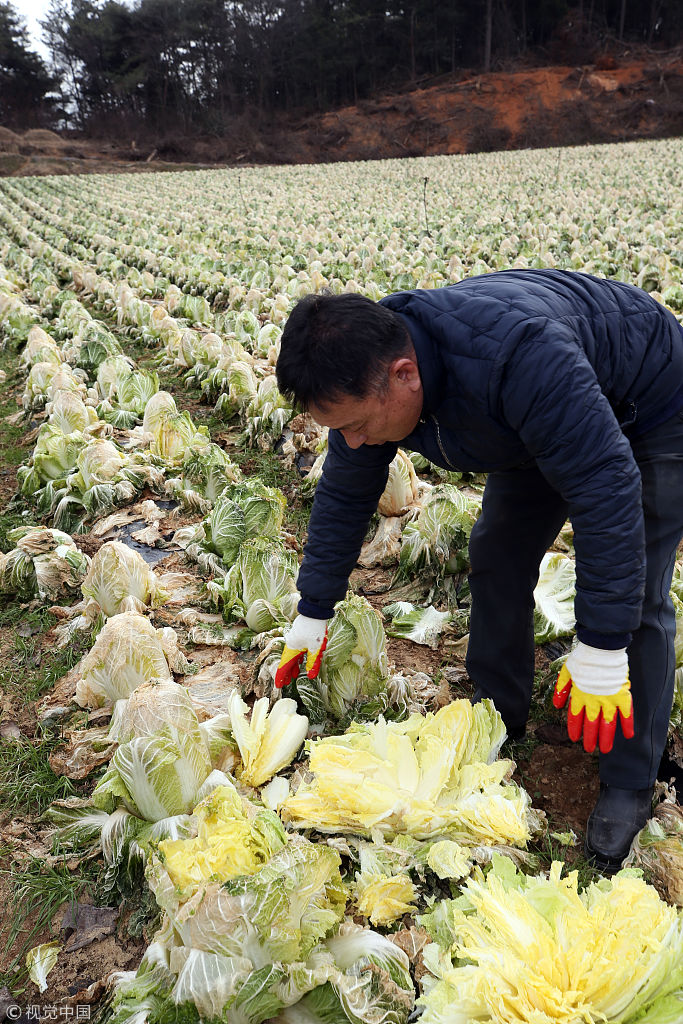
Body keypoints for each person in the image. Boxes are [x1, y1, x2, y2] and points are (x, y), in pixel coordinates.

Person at [273, 268, 683, 873]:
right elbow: (344, 492)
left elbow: (606, 484)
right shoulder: (364, 374)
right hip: (528, 424)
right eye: (341, 430)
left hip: (649, 404)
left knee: (637, 599)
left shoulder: (516, 357)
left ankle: (628, 779)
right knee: (496, 556)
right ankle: (498, 714)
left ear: (403, 375)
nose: (353, 442)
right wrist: (314, 608)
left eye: (357, 426)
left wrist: (599, 645)